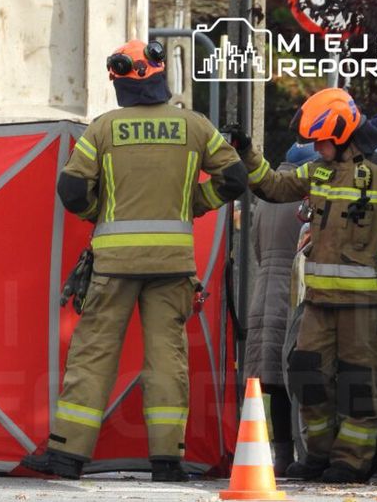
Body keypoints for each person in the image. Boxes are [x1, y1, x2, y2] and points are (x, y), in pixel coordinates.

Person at [20, 39, 247, 482]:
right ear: (161, 77)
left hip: (114, 267)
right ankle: (167, 462)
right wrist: (194, 203)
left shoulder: (104, 129)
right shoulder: (194, 125)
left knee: (93, 355)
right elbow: (235, 177)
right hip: (173, 267)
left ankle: (67, 457)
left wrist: (97, 213)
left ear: (120, 81)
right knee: (167, 359)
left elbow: (71, 191)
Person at [234, 88, 377, 483]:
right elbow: (274, 186)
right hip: (319, 302)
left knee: (357, 387)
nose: (318, 146)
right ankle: (318, 456)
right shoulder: (317, 170)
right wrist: (247, 151)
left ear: (344, 133)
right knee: (306, 375)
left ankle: (350, 462)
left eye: (323, 140)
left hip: (365, 305)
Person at [245, 142, 317, 476]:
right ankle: (301, 452)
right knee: (295, 378)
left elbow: (257, 248)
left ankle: (280, 454)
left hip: (263, 292)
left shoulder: (265, 198)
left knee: (273, 383)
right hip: (291, 293)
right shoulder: (302, 197)